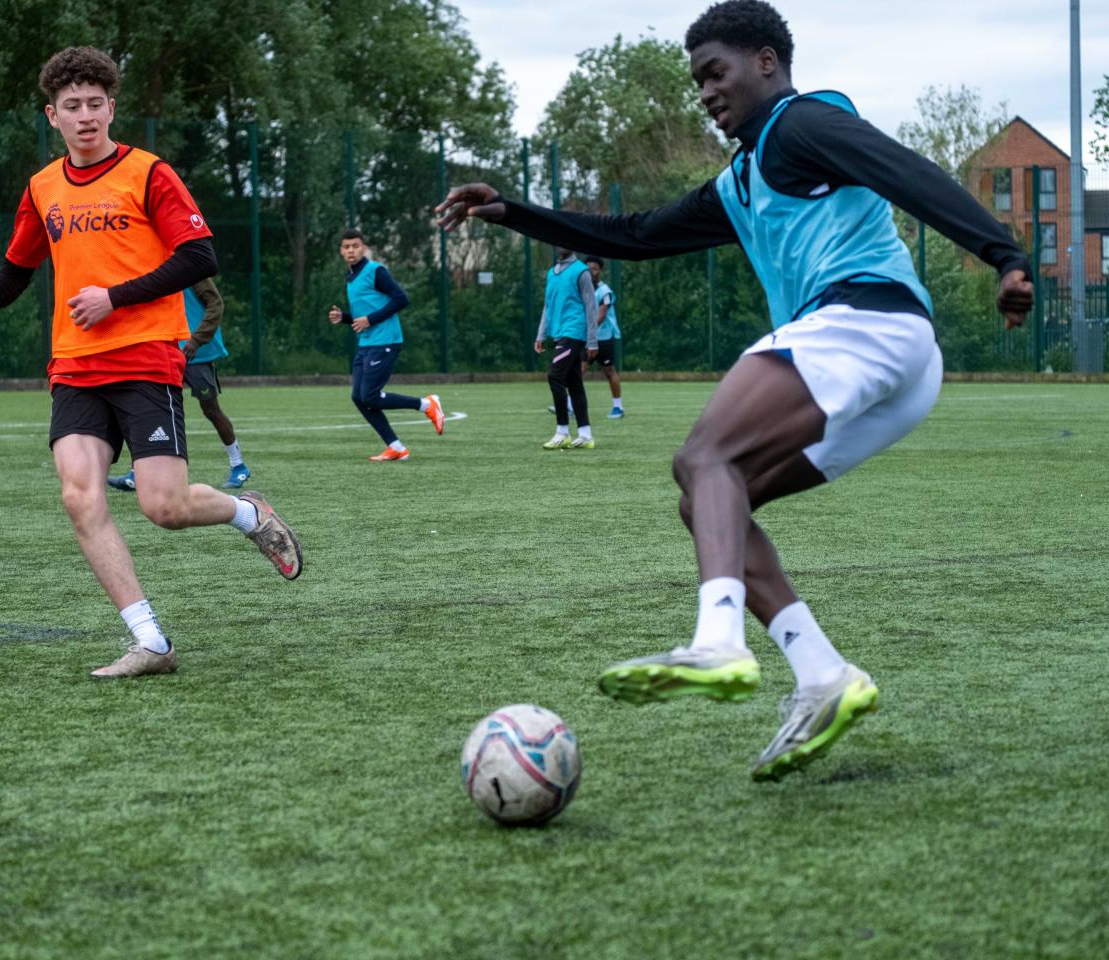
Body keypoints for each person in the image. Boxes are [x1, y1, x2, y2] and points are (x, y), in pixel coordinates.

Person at [438, 0, 1033, 780]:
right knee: (711, 495)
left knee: (705, 456)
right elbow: (635, 237)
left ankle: (718, 642)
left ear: (765, 62)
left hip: (866, 322)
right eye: (697, 82)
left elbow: (903, 170)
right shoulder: (745, 177)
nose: (706, 92)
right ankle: (822, 675)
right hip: (893, 365)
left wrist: (1005, 254)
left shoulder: (801, 124)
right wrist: (511, 211)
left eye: (715, 73)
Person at [0, 46, 302, 680]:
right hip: (74, 367)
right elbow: (17, 266)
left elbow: (199, 256)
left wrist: (115, 296)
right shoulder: (41, 187)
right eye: (72, 107)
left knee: (163, 509)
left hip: (146, 358)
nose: (85, 116)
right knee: (79, 496)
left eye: (95, 104)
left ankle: (250, 513)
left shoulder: (148, 172)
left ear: (112, 108)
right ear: (51, 116)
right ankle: (151, 641)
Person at [108, 277, 252, 491]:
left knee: (210, 409)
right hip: (164, 349)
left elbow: (216, 304)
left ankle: (238, 466)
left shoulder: (190, 267)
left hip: (196, 353)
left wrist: (195, 341)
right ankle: (138, 473)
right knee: (146, 409)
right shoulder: (150, 267)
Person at [328, 228, 445, 460]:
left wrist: (369, 319)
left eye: (355, 246)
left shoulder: (376, 271)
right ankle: (397, 448)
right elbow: (365, 313)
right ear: (341, 251)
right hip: (366, 343)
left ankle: (426, 404)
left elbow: (402, 298)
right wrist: (346, 318)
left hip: (386, 340)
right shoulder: (351, 278)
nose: (351, 250)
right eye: (346, 247)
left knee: (369, 395)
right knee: (358, 397)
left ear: (364, 248)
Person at [537, 247, 599, 449]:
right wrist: (541, 334)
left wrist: (592, 341)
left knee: (555, 376)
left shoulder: (581, 271)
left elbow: (591, 306)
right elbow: (548, 305)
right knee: (574, 382)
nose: (561, 245)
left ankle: (562, 431)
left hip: (573, 331)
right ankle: (585, 434)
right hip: (558, 332)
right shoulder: (551, 272)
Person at [584, 256, 624, 419]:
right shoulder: (582, 290)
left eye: (594, 269)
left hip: (604, 337)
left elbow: (601, 315)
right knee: (578, 370)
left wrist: (588, 331)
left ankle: (618, 407)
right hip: (587, 337)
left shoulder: (605, 291)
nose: (591, 272)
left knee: (609, 371)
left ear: (600, 271)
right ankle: (570, 405)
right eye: (588, 269)